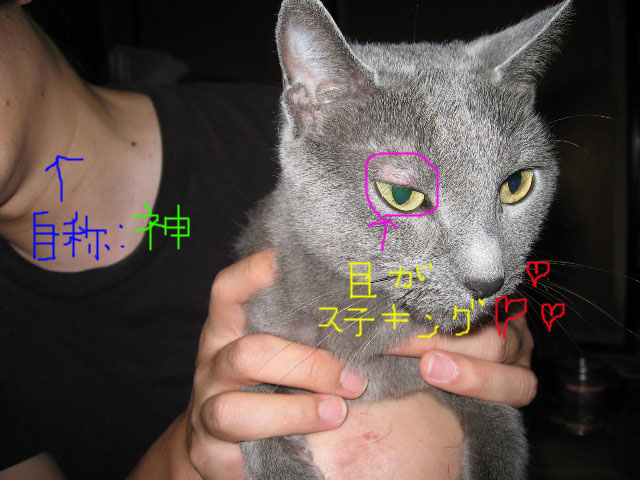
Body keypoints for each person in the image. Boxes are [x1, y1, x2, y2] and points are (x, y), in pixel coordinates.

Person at [0, 1, 537, 479]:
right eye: (401, 193)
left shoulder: (323, 122)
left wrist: (495, 344)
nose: (486, 267)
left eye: (514, 186)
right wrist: (186, 461)